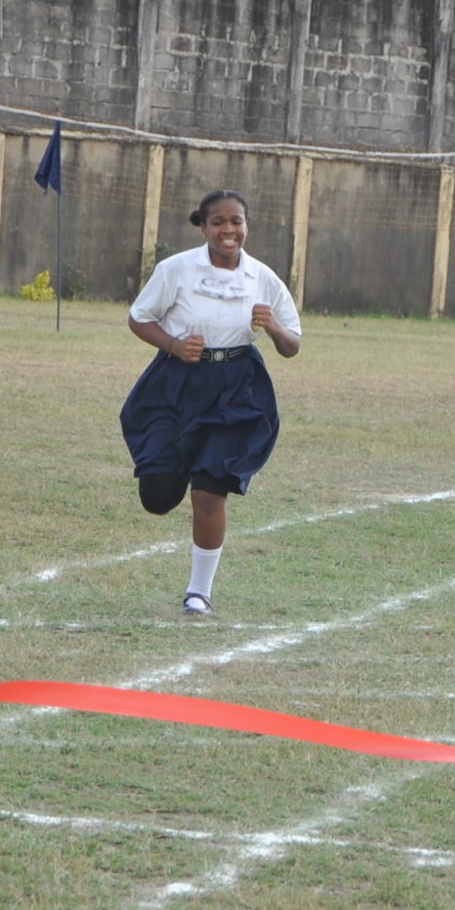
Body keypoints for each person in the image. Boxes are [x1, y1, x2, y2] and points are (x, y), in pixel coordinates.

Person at [122, 189, 302, 615]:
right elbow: (138, 318)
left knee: (209, 490)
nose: (228, 230)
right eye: (218, 222)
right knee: (158, 496)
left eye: (236, 221)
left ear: (247, 226)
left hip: (238, 386)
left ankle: (198, 593)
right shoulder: (176, 269)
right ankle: (178, 461)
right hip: (178, 382)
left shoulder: (262, 277)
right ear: (203, 227)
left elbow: (292, 345)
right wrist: (173, 344)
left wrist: (274, 327)